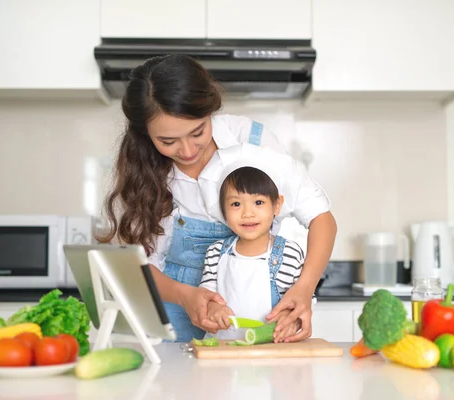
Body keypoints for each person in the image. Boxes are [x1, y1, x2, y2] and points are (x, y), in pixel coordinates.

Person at [97, 54, 337, 342]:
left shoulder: (251, 142)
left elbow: (321, 218)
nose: (186, 151)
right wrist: (185, 296)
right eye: (167, 141)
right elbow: (138, 262)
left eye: (197, 132)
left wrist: (304, 288)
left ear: (210, 110)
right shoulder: (143, 171)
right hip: (174, 311)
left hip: (259, 314)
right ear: (146, 134)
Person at [200, 164, 310, 343]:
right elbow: (205, 296)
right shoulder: (215, 253)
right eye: (236, 204)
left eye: (258, 202)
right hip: (224, 350)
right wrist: (213, 308)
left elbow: (304, 299)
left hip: (274, 350)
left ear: (276, 205)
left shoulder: (290, 253)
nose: (247, 213)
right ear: (224, 212)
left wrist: (290, 318)